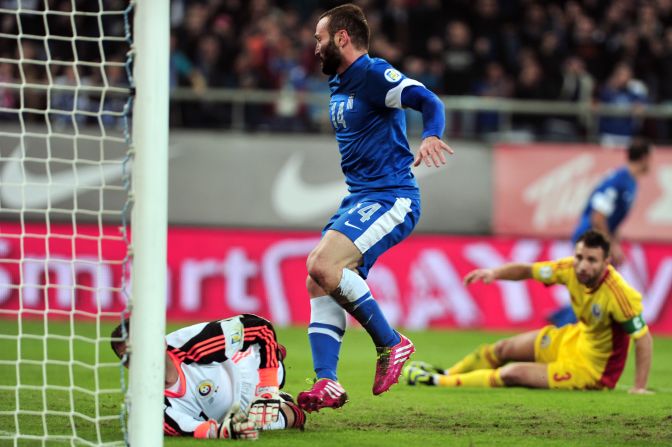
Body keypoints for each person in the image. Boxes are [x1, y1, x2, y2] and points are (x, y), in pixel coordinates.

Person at [298, 4, 453, 413]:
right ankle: (327, 382)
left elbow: (427, 100)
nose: (315, 48)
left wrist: (432, 134)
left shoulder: (371, 74)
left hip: (391, 196)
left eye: (319, 38)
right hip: (360, 196)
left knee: (323, 266)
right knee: (320, 280)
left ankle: (392, 343)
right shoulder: (341, 83)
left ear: (342, 38)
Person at [402, 230, 653, 394]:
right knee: (502, 349)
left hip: (592, 371)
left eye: (591, 260)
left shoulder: (619, 294)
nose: (583, 265)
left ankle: (434, 382)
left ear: (606, 262)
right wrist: (494, 273)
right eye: (580, 257)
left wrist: (639, 387)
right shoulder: (568, 269)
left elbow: (642, 337)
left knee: (513, 373)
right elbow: (527, 270)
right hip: (572, 339)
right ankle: (447, 373)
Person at [110, 314, 306, 440]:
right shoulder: (144, 403)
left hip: (244, 371)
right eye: (127, 358)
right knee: (259, 424)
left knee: (267, 362)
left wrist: (267, 390)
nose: (136, 362)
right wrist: (224, 431)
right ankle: (284, 401)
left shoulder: (194, 343)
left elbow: (261, 329)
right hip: (227, 414)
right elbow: (186, 427)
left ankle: (273, 360)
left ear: (160, 343)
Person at [549, 138, 652, 327]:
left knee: (594, 285)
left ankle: (562, 317)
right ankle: (562, 322)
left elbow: (614, 219)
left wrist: (616, 243)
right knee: (595, 285)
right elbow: (598, 216)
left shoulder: (630, 181)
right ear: (645, 158)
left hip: (598, 239)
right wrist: (611, 245)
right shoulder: (619, 180)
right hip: (590, 238)